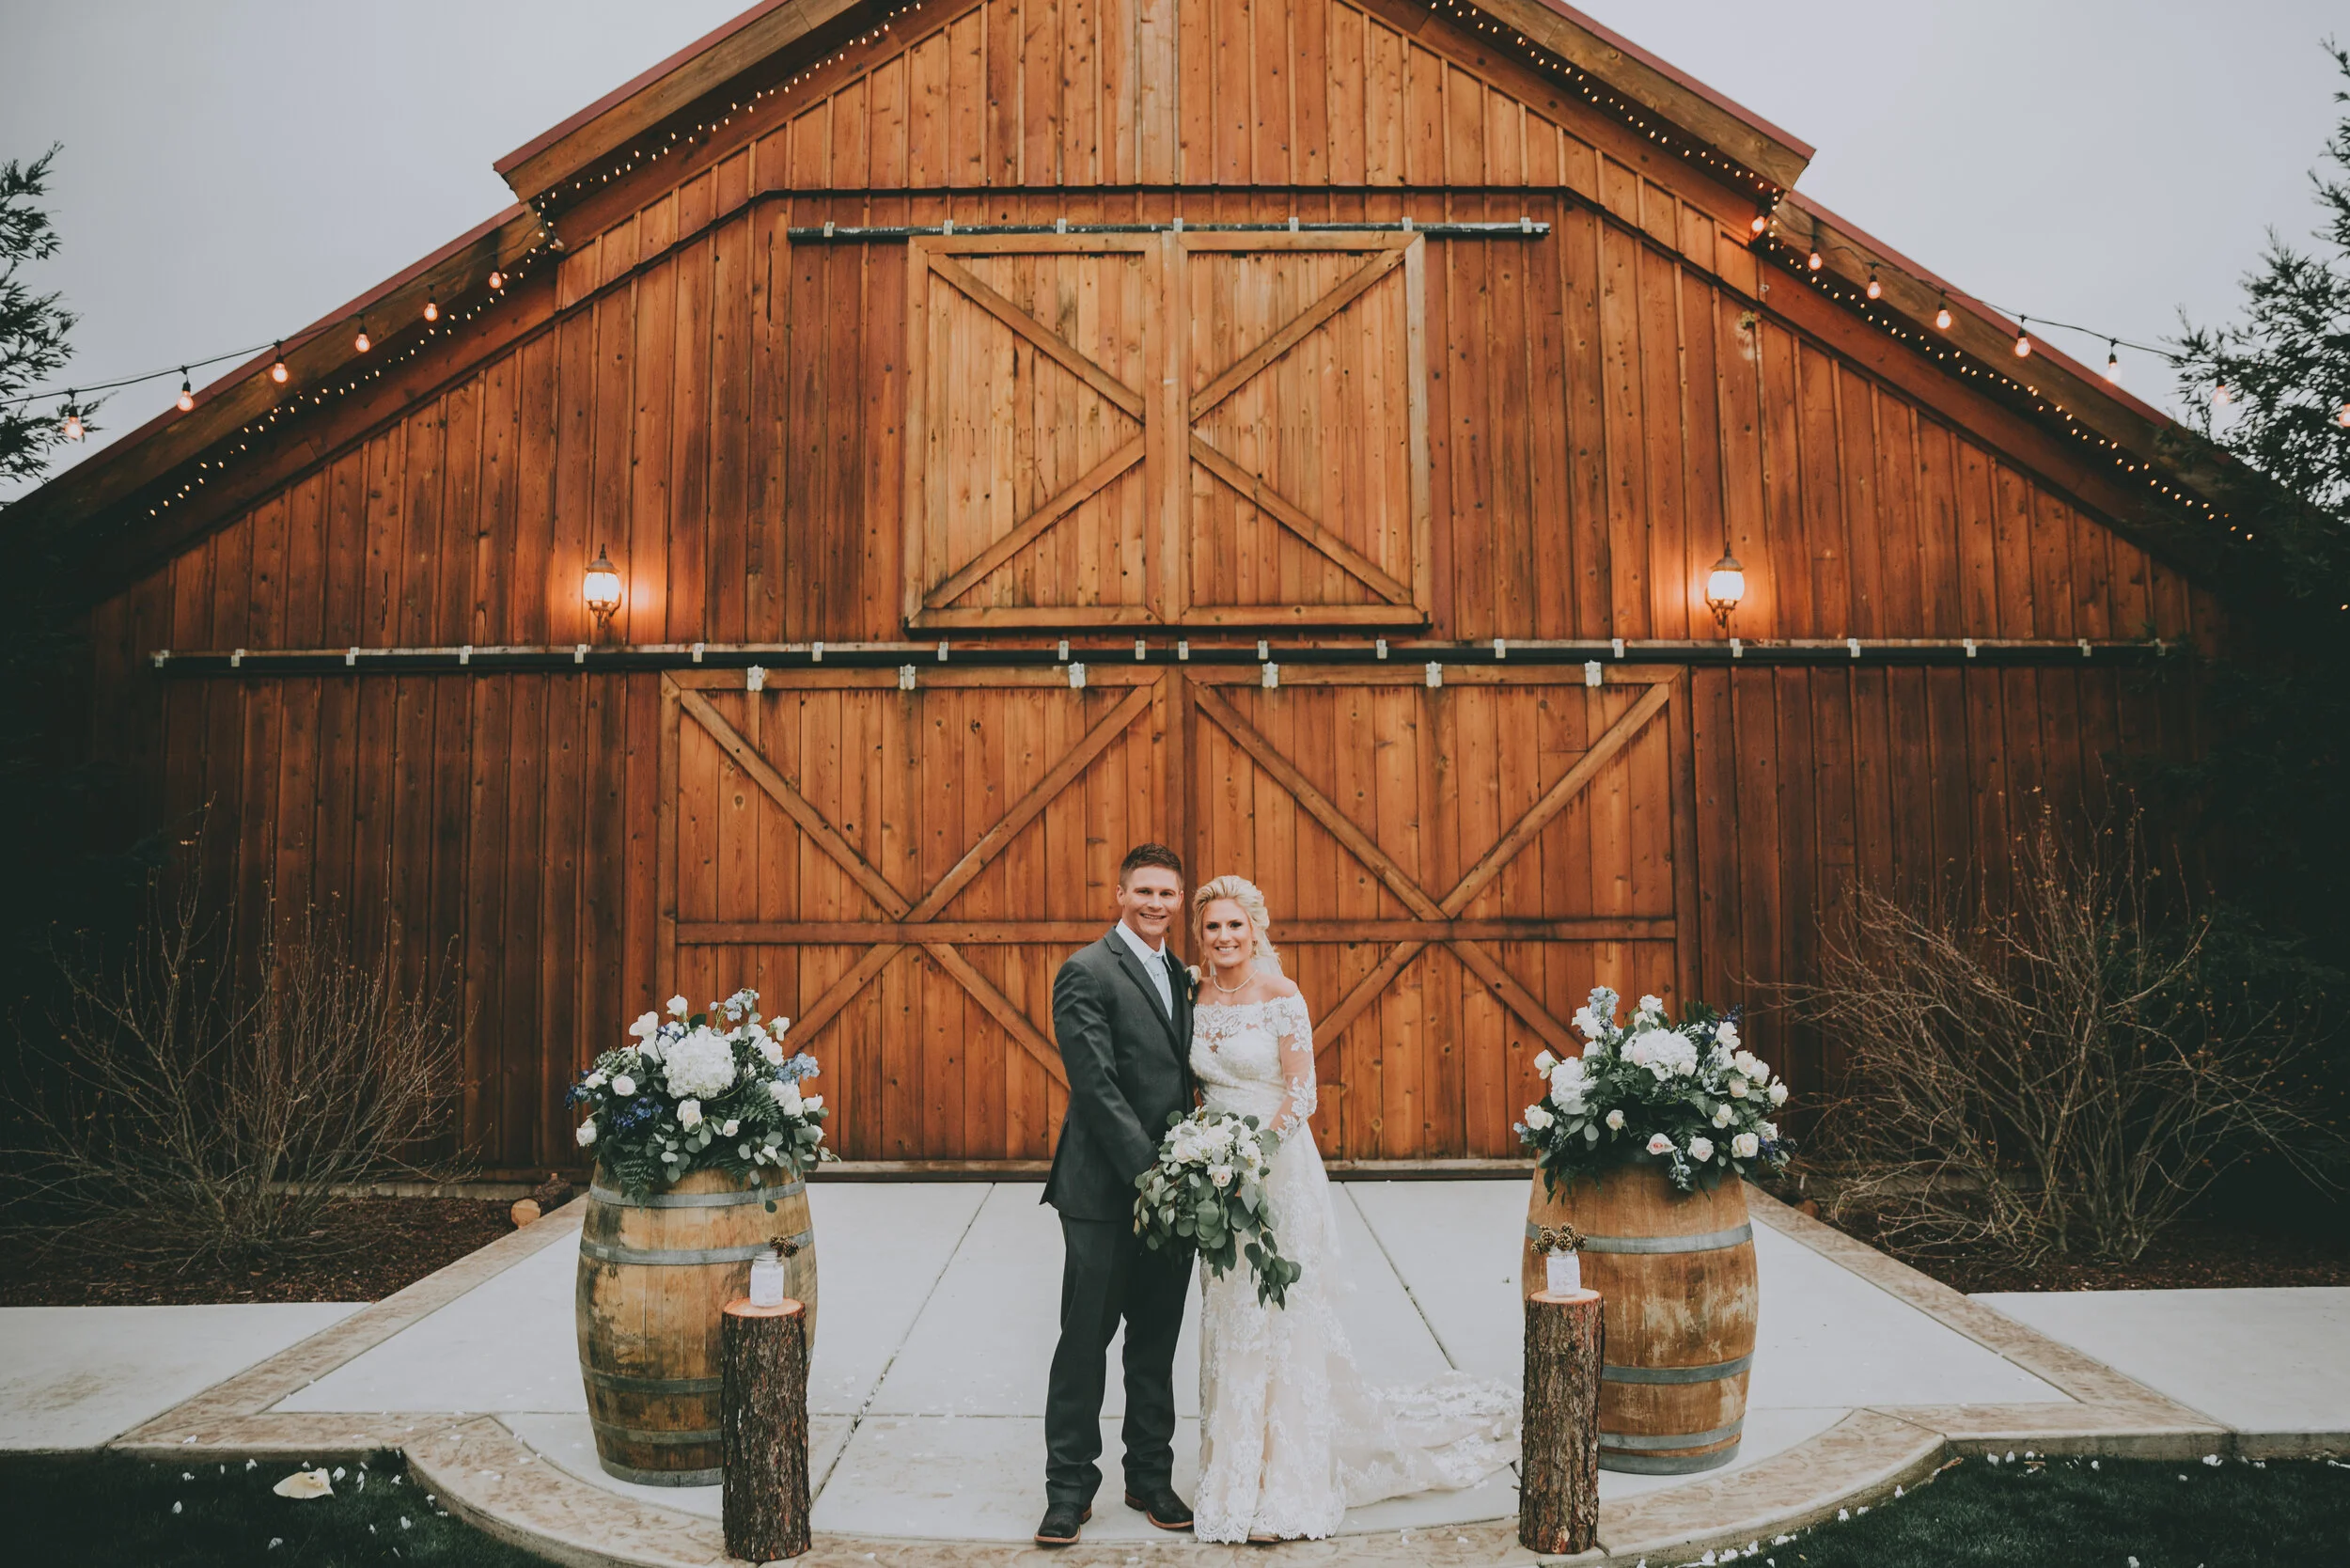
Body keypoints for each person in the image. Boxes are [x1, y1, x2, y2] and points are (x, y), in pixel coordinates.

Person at [1185, 874, 1519, 1543]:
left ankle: (1289, 1479)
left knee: (1279, 1312)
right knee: (1230, 1310)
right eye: (1212, 927)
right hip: (1217, 1177)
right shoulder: (1190, 996)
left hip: (1276, 1171)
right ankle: (1234, 1473)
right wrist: (1206, 1155)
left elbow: (1301, 1093)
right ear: (1202, 935)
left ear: (1255, 929)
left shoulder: (1282, 997)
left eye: (1234, 926)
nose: (1224, 938)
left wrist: (1254, 1154)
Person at [1036, 843, 1198, 1547]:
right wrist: (1151, 1174)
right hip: (1104, 1192)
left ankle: (1150, 1477)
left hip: (1178, 1193)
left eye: (1168, 893)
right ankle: (1069, 1490)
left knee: (1156, 1340)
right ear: (1120, 894)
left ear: (1179, 900)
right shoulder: (1086, 971)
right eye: (1145, 892)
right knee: (1085, 1341)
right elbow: (1095, 1087)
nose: (1156, 903)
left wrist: (1190, 1175)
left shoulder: (1180, 974)